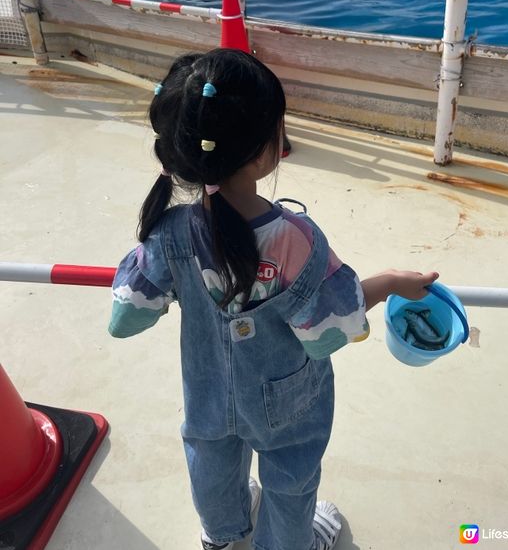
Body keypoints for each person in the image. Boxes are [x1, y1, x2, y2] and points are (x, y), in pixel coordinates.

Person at [109, 49, 438, 550]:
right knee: (290, 476)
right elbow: (333, 327)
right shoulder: (294, 238)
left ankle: (221, 536)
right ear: (265, 152)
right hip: (287, 405)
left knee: (212, 457)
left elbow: (126, 317)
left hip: (209, 394)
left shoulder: (168, 233)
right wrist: (391, 281)